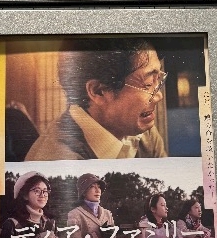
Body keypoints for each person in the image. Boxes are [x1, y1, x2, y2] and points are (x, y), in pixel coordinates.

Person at [25, 37, 168, 160]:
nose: (159, 96)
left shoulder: (141, 132)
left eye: (158, 79)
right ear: (98, 91)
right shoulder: (55, 162)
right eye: (148, 84)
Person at [0, 170, 60, 238]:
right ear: (25, 195)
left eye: (45, 191)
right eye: (37, 190)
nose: (42, 195)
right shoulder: (11, 224)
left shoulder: (51, 223)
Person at [66, 173, 115, 238]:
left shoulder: (107, 213)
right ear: (84, 192)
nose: (97, 190)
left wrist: (111, 237)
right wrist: (95, 236)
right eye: (92, 187)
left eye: (99, 187)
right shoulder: (74, 214)